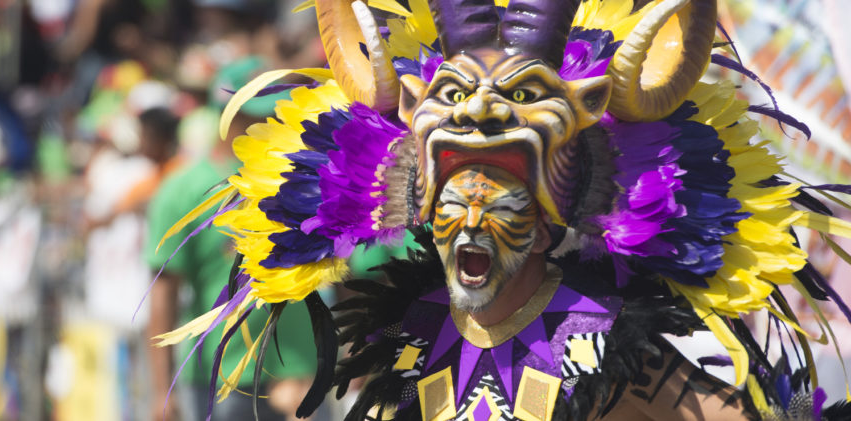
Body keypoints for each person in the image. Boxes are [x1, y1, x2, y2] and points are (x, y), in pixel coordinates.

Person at [153, 1, 851, 420]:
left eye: (496, 195)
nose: (470, 217)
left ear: (550, 216)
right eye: (453, 195)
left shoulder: (601, 335)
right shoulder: (417, 329)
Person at [145, 60, 318, 421]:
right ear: (224, 116)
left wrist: (350, 362)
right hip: (223, 377)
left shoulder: (310, 181)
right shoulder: (184, 190)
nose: (267, 124)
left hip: (304, 373)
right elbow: (164, 294)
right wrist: (163, 392)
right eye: (253, 114)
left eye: (275, 112)